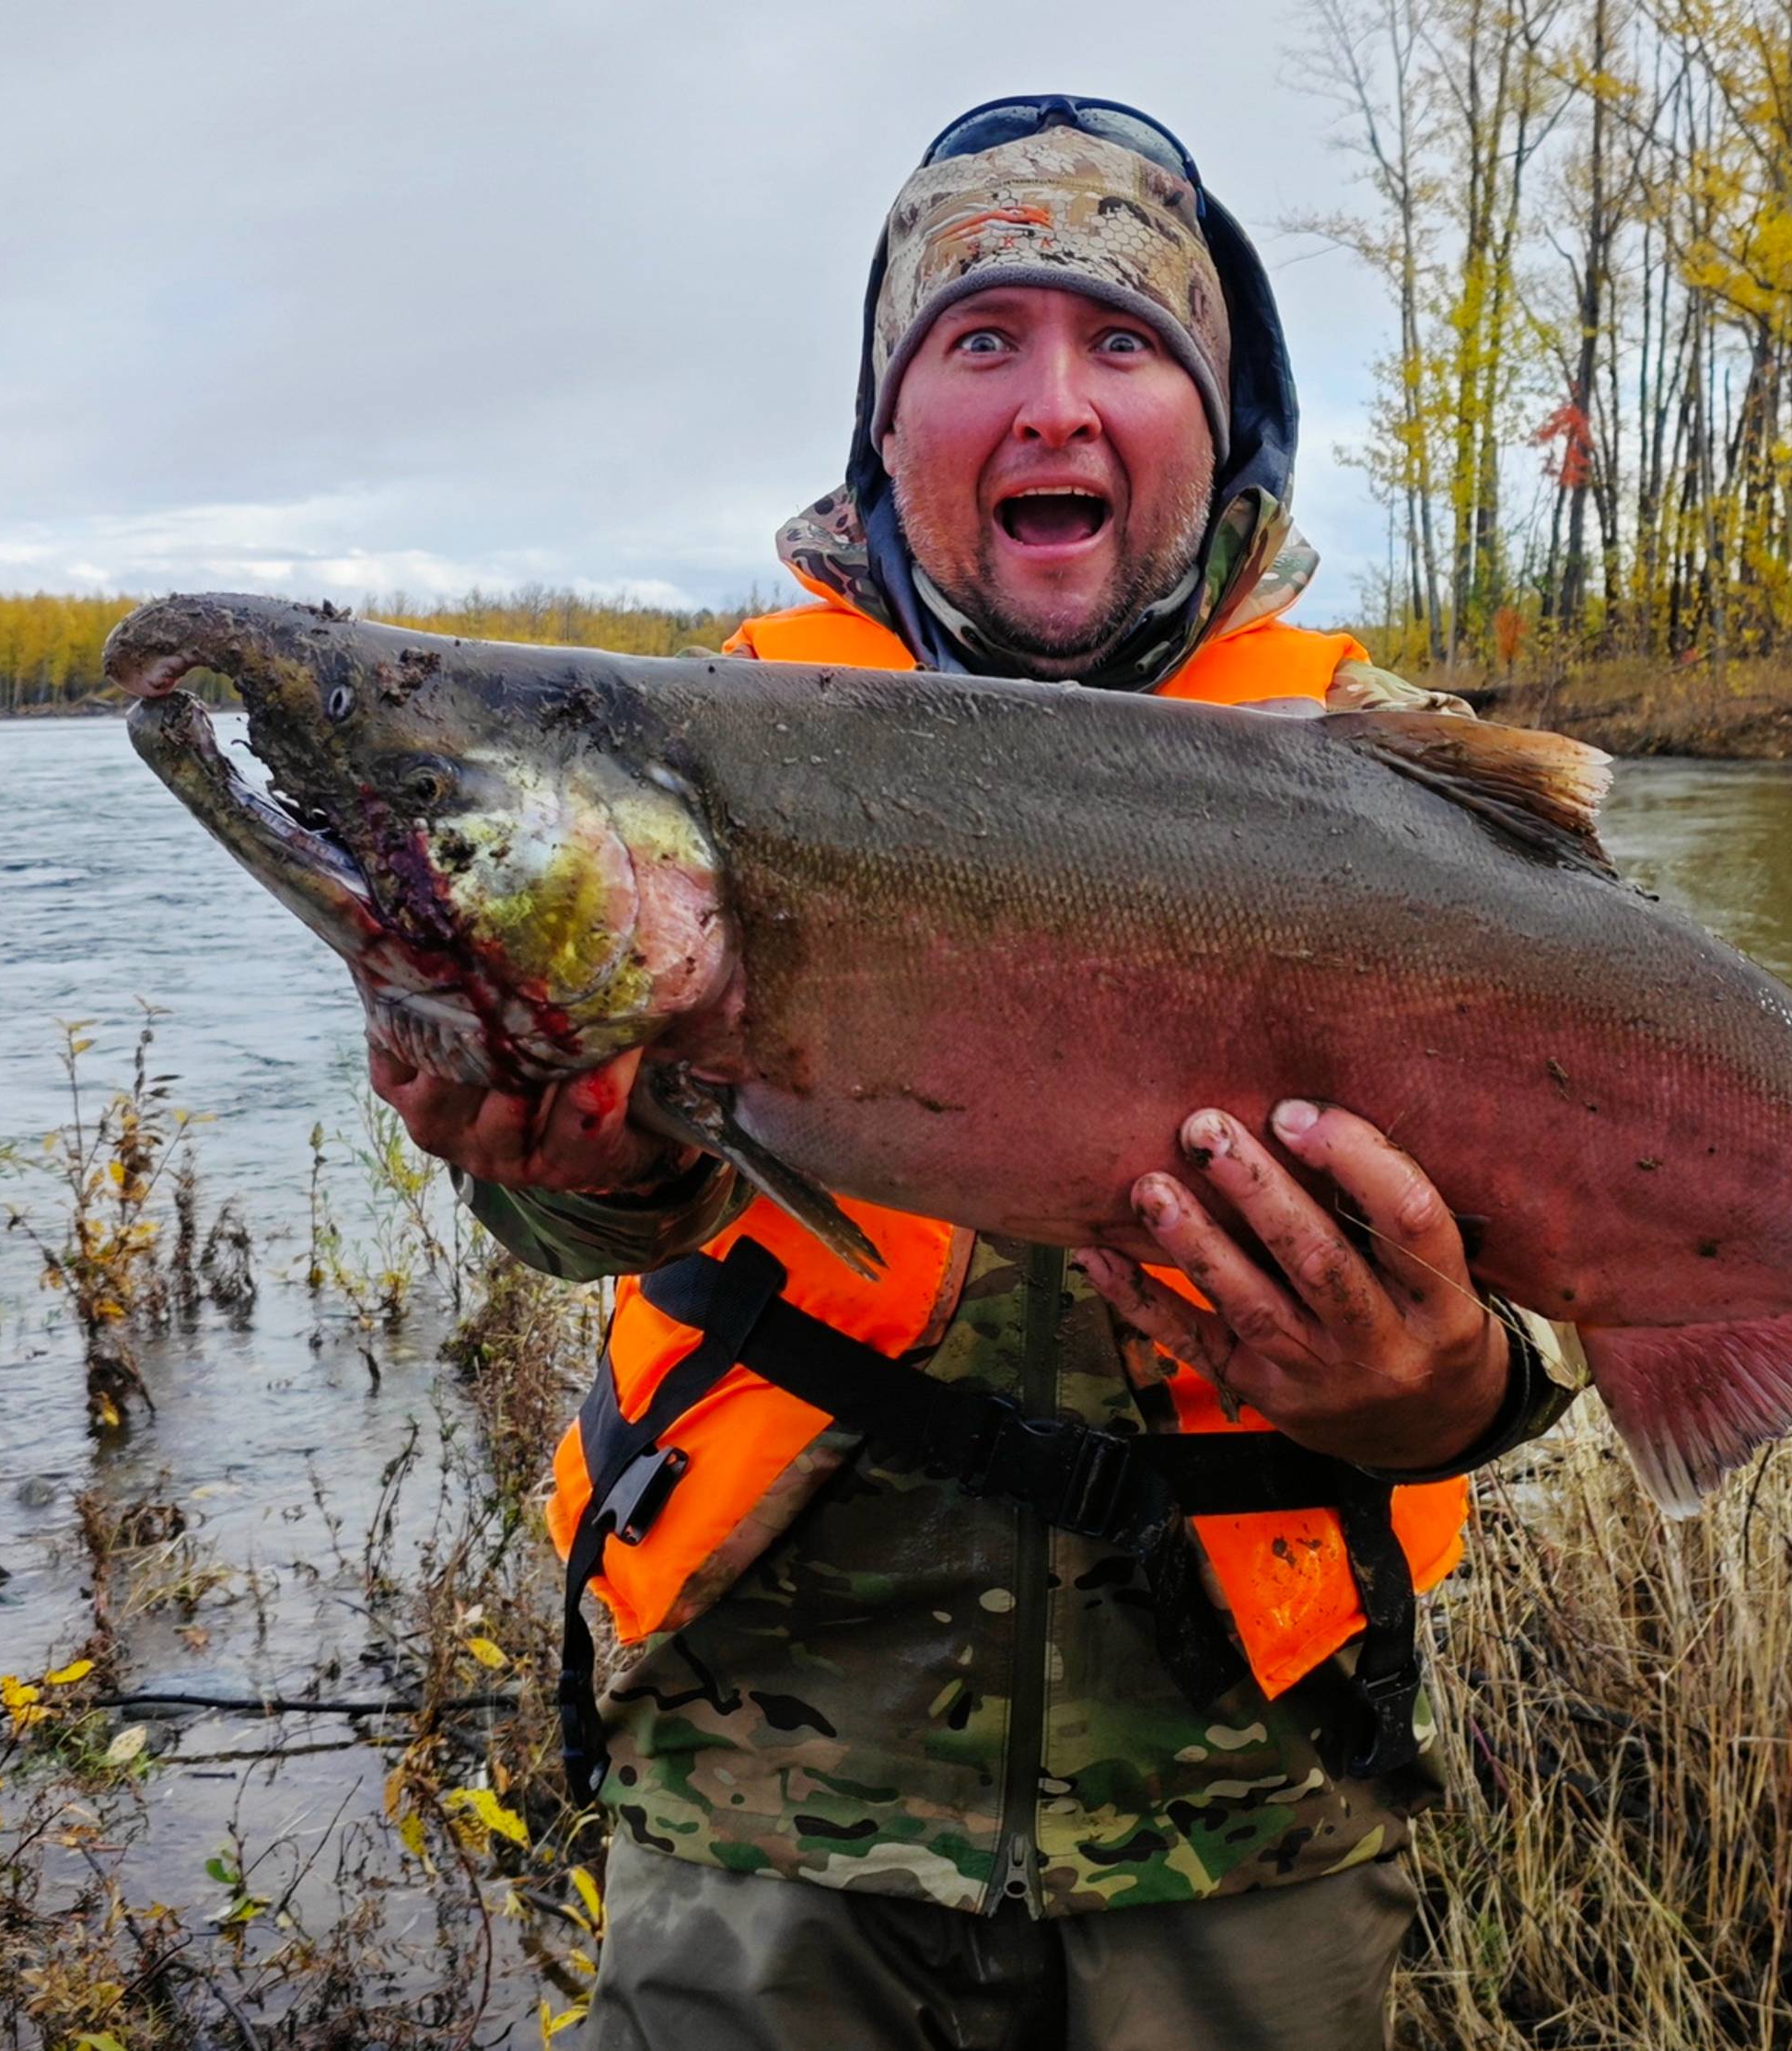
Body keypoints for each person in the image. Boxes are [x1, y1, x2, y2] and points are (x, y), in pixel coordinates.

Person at [369, 96, 1575, 2050]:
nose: (1055, 403)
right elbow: (573, 1207)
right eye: (980, 341)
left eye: (1123, 344)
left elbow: (1577, 1290)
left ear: (1222, 416)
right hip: (770, 1806)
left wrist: (1450, 1389)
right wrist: (564, 1160)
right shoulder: (670, 758)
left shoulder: (1407, 783)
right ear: (887, 422)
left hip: (1244, 1819)